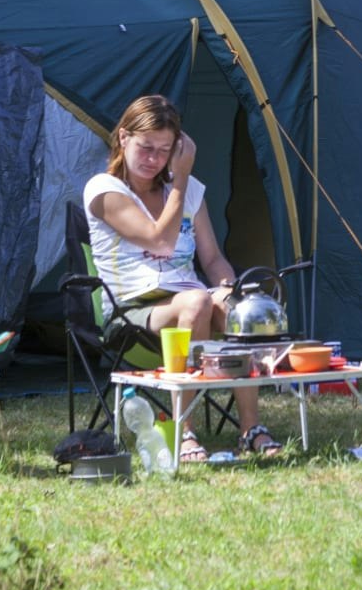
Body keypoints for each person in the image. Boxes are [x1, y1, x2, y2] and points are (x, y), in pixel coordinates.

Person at [83, 94, 282, 461]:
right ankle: (184, 430)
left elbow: (212, 258)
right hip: (131, 313)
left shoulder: (189, 191)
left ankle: (251, 428)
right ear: (124, 138)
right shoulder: (104, 189)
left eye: (164, 151)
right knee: (197, 302)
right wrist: (181, 179)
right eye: (146, 147)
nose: (154, 159)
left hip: (191, 300)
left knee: (240, 309)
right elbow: (159, 240)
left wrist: (232, 291)